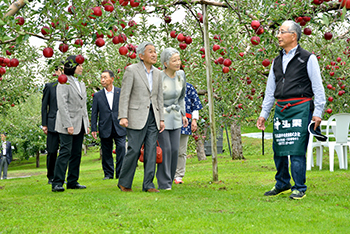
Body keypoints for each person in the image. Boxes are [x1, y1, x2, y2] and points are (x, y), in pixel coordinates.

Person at [256, 20, 326, 200]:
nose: (278, 36)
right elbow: (270, 90)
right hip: (281, 108)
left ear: (293, 36)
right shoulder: (276, 61)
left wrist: (318, 112)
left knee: (296, 148)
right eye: (278, 32)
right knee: (278, 148)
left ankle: (299, 187)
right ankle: (282, 183)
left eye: (282, 32)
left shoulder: (308, 58)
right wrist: (264, 114)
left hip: (301, 108)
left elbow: (318, 88)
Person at [118, 41, 165, 193]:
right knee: (134, 149)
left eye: (155, 51)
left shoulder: (158, 73)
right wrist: (123, 116)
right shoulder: (131, 70)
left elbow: (159, 98)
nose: (154, 54)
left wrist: (161, 119)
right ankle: (125, 182)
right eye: (150, 51)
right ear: (141, 55)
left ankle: (149, 184)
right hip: (135, 116)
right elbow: (125, 95)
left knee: (151, 149)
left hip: (153, 116)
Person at [52, 55, 90, 192]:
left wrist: (86, 122)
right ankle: (57, 182)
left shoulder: (81, 82)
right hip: (66, 123)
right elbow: (62, 105)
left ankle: (73, 181)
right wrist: (68, 124)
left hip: (80, 122)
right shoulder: (64, 81)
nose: (81, 68)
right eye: (79, 65)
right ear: (72, 67)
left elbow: (83, 105)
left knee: (76, 153)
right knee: (65, 152)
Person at [156, 47, 188, 190]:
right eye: (174, 60)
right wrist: (159, 117)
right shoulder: (158, 76)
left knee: (175, 149)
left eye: (179, 59)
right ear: (165, 63)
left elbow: (181, 97)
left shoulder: (181, 75)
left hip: (175, 115)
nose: (178, 63)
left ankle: (170, 179)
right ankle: (164, 182)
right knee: (166, 149)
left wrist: (183, 114)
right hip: (162, 116)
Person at [91, 70, 126, 180]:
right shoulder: (97, 95)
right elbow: (94, 113)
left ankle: (120, 173)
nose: (102, 80)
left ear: (112, 79)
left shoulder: (120, 92)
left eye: (105, 77)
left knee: (121, 149)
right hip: (104, 126)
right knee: (106, 152)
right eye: (101, 77)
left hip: (119, 126)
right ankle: (108, 174)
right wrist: (93, 128)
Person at [174, 81, 203, 184]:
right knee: (169, 149)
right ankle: (168, 173)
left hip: (184, 123)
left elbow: (195, 105)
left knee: (181, 150)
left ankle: (178, 176)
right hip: (169, 121)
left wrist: (194, 120)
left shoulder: (188, 87)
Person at [41, 65, 63, 184]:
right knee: (52, 151)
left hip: (65, 123)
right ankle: (51, 176)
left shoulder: (69, 86)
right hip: (52, 123)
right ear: (56, 72)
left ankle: (60, 176)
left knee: (65, 152)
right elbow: (44, 106)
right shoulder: (50, 86)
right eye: (61, 70)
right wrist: (44, 124)